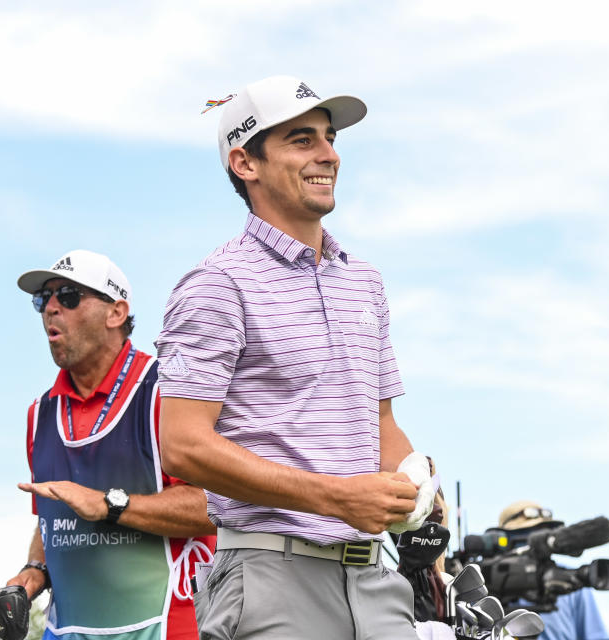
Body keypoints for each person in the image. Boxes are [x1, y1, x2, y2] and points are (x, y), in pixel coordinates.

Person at [155, 75, 435, 640]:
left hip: (375, 578)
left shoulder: (365, 282)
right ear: (246, 163)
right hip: (267, 577)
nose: (329, 154)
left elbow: (379, 426)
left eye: (330, 138)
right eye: (302, 140)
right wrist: (334, 496)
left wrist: (417, 484)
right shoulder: (216, 283)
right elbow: (181, 443)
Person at [6, 249, 217, 640]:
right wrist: (32, 573)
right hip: (64, 630)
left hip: (166, 626)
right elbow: (52, 520)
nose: (51, 308)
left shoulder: (166, 392)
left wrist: (108, 504)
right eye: (42, 299)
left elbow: (218, 505)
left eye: (68, 296)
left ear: (116, 313)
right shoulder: (40, 414)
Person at [499, 501, 609, 640]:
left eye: (540, 533)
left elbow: (596, 636)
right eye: (524, 535)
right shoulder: (484, 587)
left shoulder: (572, 581)